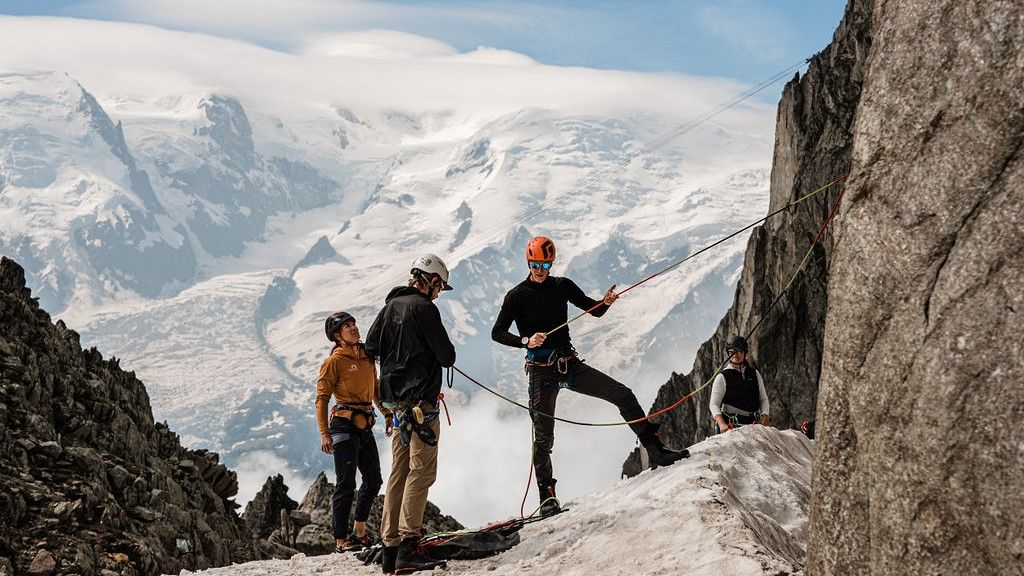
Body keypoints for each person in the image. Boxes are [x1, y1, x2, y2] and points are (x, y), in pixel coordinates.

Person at [491, 236, 689, 518]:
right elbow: (497, 332)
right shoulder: (516, 296)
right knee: (543, 437)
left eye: (545, 264)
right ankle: (547, 497)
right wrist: (525, 341)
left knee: (623, 395)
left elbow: (592, 310)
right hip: (540, 371)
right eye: (535, 263)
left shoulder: (561, 286)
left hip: (567, 364)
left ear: (551, 262)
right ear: (528, 261)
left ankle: (655, 451)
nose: (540, 269)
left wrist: (605, 302)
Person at [365, 254, 456, 575]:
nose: (439, 292)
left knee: (399, 473)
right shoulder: (425, 309)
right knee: (422, 472)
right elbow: (447, 356)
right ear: (431, 281)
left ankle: (390, 550)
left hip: (397, 408)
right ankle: (409, 543)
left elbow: (370, 349)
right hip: (422, 406)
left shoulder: (388, 308)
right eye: (440, 286)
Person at [316, 311, 388, 553]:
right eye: (347, 326)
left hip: (364, 424)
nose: (354, 328)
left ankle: (358, 531)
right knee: (345, 483)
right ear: (337, 336)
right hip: (344, 425)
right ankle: (340, 541)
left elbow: (374, 388)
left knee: (374, 479)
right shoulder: (334, 362)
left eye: (354, 323)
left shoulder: (367, 356)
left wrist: (386, 413)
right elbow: (322, 398)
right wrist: (324, 433)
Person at [709, 335, 770, 433]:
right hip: (730, 426)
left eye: (739, 351)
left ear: (745, 352)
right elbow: (714, 404)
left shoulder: (754, 374)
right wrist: (721, 424)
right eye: (731, 352)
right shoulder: (722, 376)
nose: (735, 355)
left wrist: (765, 415)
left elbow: (763, 398)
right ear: (728, 353)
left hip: (753, 425)